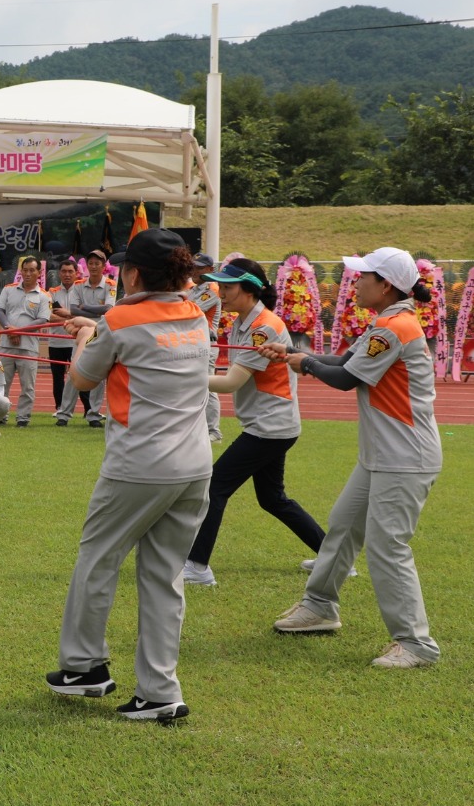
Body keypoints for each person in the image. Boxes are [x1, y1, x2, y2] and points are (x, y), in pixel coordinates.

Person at [46, 228, 210, 721]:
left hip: (140, 463)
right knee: (164, 576)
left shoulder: (118, 319)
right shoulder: (196, 312)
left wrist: (81, 334)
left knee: (98, 558)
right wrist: (93, 327)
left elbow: (80, 379)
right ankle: (159, 692)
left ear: (135, 273)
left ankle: (83, 667)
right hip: (194, 465)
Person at [265, 247, 442, 669]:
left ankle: (416, 644)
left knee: (387, 546)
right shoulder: (386, 322)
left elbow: (344, 378)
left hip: (404, 457)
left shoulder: (393, 327)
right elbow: (345, 361)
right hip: (385, 455)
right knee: (343, 527)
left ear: (386, 285)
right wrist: (296, 357)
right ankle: (319, 606)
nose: (354, 283)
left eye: (363, 276)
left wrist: (305, 362)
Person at [181, 259, 326, 587]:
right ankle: (334, 558)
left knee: (215, 486)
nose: (222, 293)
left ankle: (198, 567)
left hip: (270, 427)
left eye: (228, 288)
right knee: (273, 499)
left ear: (249, 290)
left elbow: (232, 382)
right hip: (270, 425)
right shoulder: (243, 322)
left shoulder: (264, 326)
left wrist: (182, 379)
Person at [0, 256, 52, 427]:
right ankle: (0, 415)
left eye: (32, 270)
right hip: (6, 345)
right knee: (2, 382)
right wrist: (8, 328)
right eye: (24, 270)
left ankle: (23, 418)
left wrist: (16, 331)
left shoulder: (44, 296)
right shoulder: (8, 289)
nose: (27, 273)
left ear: (39, 273)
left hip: (28, 347)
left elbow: (42, 320)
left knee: (28, 386)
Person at [61, 249, 115, 427]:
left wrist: (85, 307)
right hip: (81, 333)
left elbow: (108, 309)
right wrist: (91, 308)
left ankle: (93, 414)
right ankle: (64, 414)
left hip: (100, 333)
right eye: (90, 263)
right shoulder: (78, 285)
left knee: (97, 374)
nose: (93, 266)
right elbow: (74, 310)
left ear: (103, 266)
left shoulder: (110, 284)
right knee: (72, 372)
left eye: (97, 263)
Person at [186, 253, 223, 441]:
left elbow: (189, 310)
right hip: (194, 342)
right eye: (193, 267)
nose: (194, 271)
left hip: (207, 343)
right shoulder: (195, 289)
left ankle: (214, 431)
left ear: (210, 269)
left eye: (200, 268)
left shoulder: (213, 289)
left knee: (208, 385)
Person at [48, 259, 82, 420]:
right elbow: (48, 315)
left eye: (70, 271)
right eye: (64, 271)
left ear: (76, 273)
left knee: (81, 374)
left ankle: (88, 409)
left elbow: (85, 314)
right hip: (56, 341)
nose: (67, 275)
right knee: (57, 377)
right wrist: (72, 316)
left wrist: (65, 313)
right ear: (59, 273)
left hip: (78, 340)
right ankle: (60, 407)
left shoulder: (82, 290)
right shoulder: (52, 292)